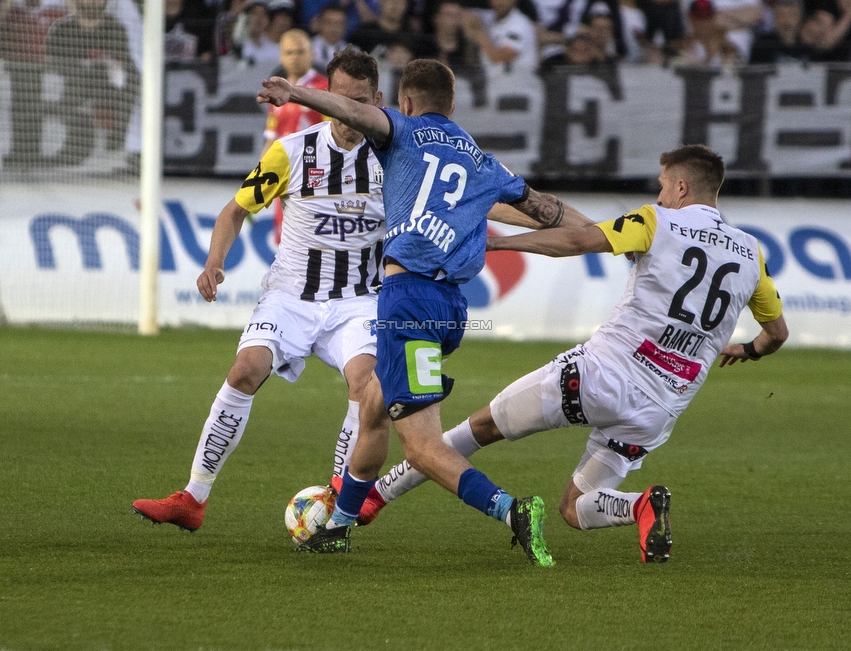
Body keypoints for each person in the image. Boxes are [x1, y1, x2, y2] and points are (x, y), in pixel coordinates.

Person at [357, 144, 789, 564]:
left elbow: (579, 241)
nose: (657, 195)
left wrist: (498, 245)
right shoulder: (752, 252)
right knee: (576, 508)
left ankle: (372, 499)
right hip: (659, 410)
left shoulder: (657, 220)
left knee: (480, 428)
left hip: (600, 375)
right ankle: (641, 506)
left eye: (661, 186)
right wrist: (748, 349)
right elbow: (777, 334)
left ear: (680, 188)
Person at [257, 58, 591, 567]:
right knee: (372, 404)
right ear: (453, 106)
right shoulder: (485, 163)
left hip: (407, 302)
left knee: (420, 448)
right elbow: (550, 211)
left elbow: (352, 110)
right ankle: (341, 526)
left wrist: (296, 93)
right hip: (449, 307)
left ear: (405, 102)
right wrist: (617, 236)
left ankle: (513, 511)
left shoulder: (403, 132)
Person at [132, 49, 388, 533]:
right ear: (323, 97)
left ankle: (338, 498)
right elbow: (235, 210)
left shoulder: (392, 159)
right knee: (245, 369)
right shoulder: (291, 151)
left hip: (359, 300)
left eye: (359, 101)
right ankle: (193, 498)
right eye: (339, 99)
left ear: (375, 100)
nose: (349, 112)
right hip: (290, 295)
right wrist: (214, 262)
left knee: (367, 384)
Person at [44, 0, 139, 164]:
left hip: (106, 90)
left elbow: (125, 68)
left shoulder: (115, 29)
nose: (93, 2)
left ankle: (116, 147)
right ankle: (71, 149)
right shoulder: (62, 29)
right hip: (70, 92)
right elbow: (49, 67)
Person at [262, 28, 330, 241]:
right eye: (289, 52)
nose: (295, 57)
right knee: (285, 242)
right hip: (285, 177)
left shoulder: (324, 88)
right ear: (281, 55)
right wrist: (260, 174)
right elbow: (272, 138)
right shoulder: (276, 91)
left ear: (312, 54)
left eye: (300, 51)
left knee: (313, 240)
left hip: (316, 177)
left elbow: (332, 132)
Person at [462, 0, 539, 77]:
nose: (498, 3)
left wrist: (479, 32)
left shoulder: (519, 24)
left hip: (518, 81)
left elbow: (499, 58)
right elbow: (464, 15)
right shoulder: (490, 17)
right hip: (495, 81)